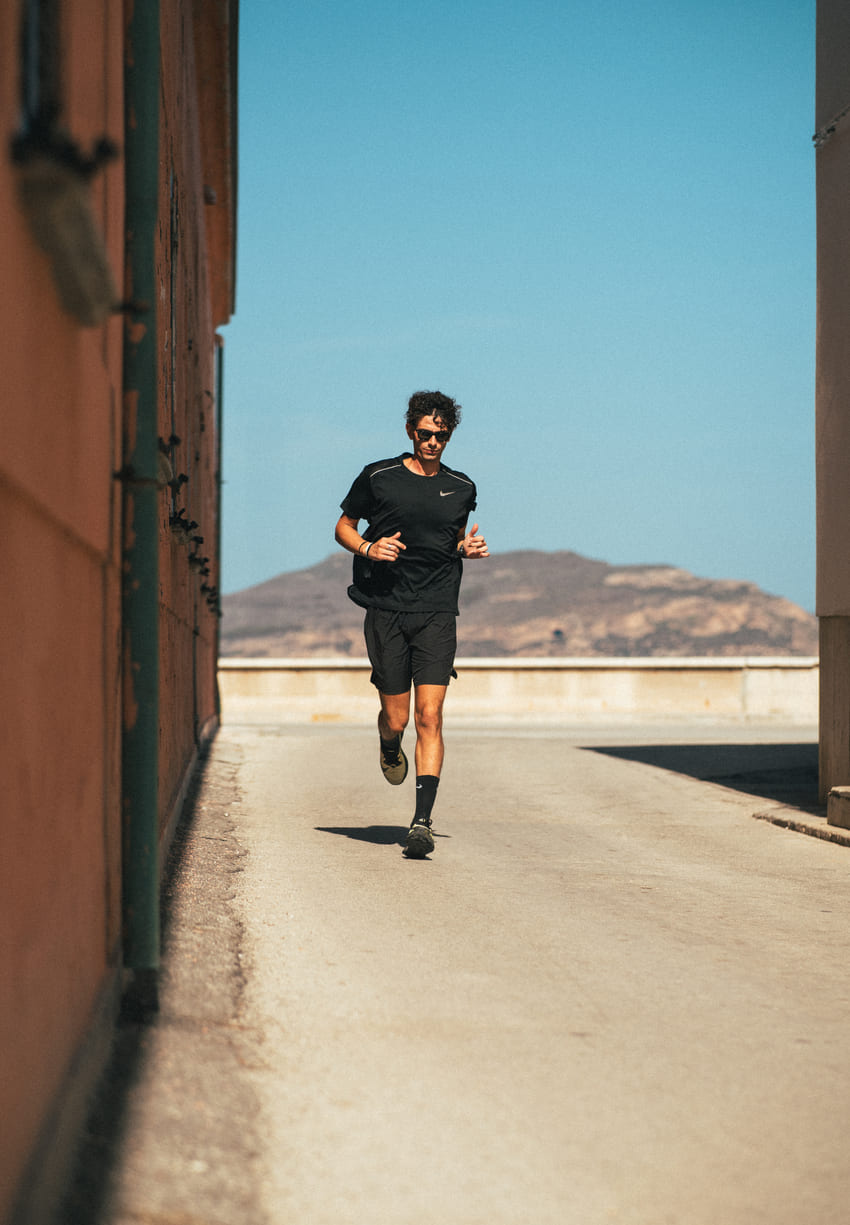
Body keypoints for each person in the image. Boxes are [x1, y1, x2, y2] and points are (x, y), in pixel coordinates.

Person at [334, 390, 489, 857]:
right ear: (409, 431)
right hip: (386, 608)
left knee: (430, 716)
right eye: (424, 434)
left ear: (449, 436)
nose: (432, 442)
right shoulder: (378, 476)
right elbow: (343, 526)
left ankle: (421, 822)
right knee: (398, 717)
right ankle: (386, 742)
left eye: (440, 436)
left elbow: (452, 537)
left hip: (439, 611)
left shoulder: (463, 487)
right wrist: (367, 548)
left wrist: (466, 549)